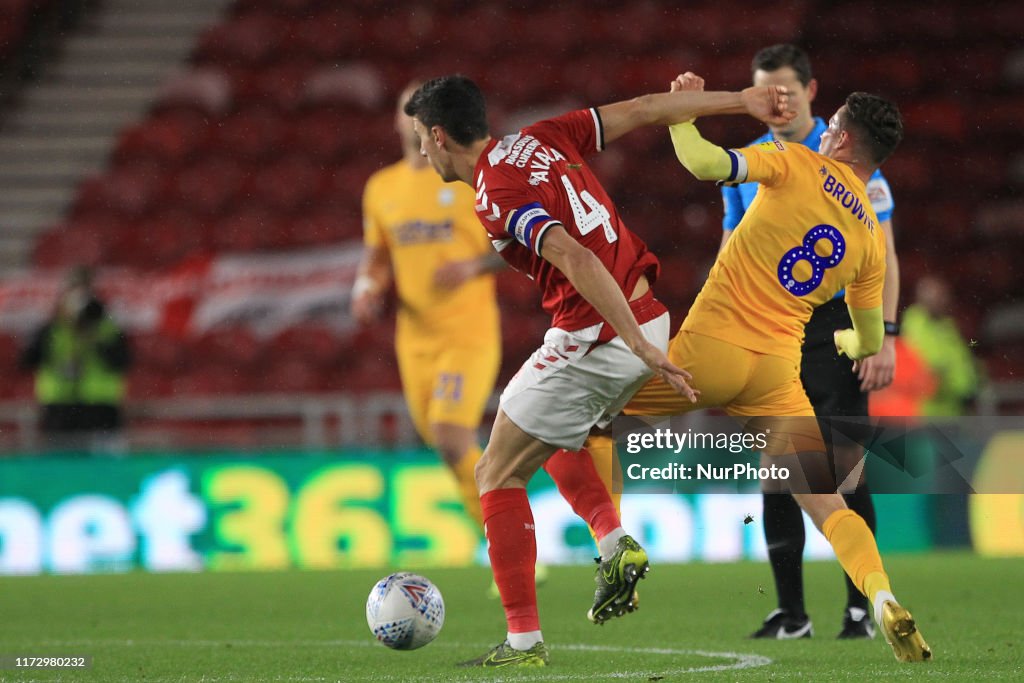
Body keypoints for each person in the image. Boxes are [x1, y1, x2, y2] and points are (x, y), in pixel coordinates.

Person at [403, 74, 793, 667]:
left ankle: (523, 643)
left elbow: (572, 254)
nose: (422, 153)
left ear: (438, 135)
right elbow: (644, 109)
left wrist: (637, 345)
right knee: (562, 436)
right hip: (643, 314)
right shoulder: (542, 137)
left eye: (420, 139)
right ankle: (614, 543)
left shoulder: (493, 191)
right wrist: (742, 101)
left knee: (495, 473)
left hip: (604, 333)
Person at [622, 72, 930, 662]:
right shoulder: (867, 236)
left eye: (831, 123)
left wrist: (681, 113)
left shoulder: (792, 159)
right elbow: (867, 338)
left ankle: (610, 546)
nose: (824, 130)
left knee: (585, 418)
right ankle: (882, 593)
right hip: (775, 373)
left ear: (839, 139)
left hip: (708, 353)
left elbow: (704, 164)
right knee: (828, 502)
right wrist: (843, 343)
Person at [719, 44, 903, 641]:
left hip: (837, 326)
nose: (776, 103)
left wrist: (885, 337)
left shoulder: (851, 155)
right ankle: (792, 613)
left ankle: (860, 608)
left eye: (786, 92)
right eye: (765, 92)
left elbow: (884, 253)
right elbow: (731, 245)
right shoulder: (752, 160)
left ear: (811, 91)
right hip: (773, 326)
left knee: (845, 466)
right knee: (779, 465)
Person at [352, 82, 505, 530]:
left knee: (449, 434)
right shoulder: (381, 188)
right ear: (397, 120)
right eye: (406, 108)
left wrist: (472, 266)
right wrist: (366, 287)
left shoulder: (470, 178)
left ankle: (508, 535)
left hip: (467, 332)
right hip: (414, 339)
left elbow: (516, 242)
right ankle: (502, 537)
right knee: (444, 445)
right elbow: (377, 255)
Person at [20, 265, 132, 451]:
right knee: (63, 467)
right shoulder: (51, 329)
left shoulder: (107, 328)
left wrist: (93, 333)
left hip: (100, 407)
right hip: (60, 408)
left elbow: (121, 362)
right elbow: (27, 360)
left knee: (103, 469)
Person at [901, 275, 981, 416]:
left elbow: (961, 359)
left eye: (945, 295)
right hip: (928, 411)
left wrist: (969, 383)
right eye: (939, 296)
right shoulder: (915, 324)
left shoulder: (947, 325)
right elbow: (929, 365)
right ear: (923, 298)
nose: (944, 300)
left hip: (955, 407)